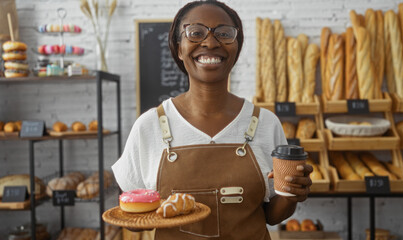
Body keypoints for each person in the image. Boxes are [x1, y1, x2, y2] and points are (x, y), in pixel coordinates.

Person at [112, 0, 313, 239]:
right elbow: (133, 217)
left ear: (237, 48)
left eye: (224, 34)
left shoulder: (265, 123)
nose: (210, 42)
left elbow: (271, 215)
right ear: (179, 48)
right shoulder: (149, 127)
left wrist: (292, 194)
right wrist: (140, 219)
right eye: (195, 33)